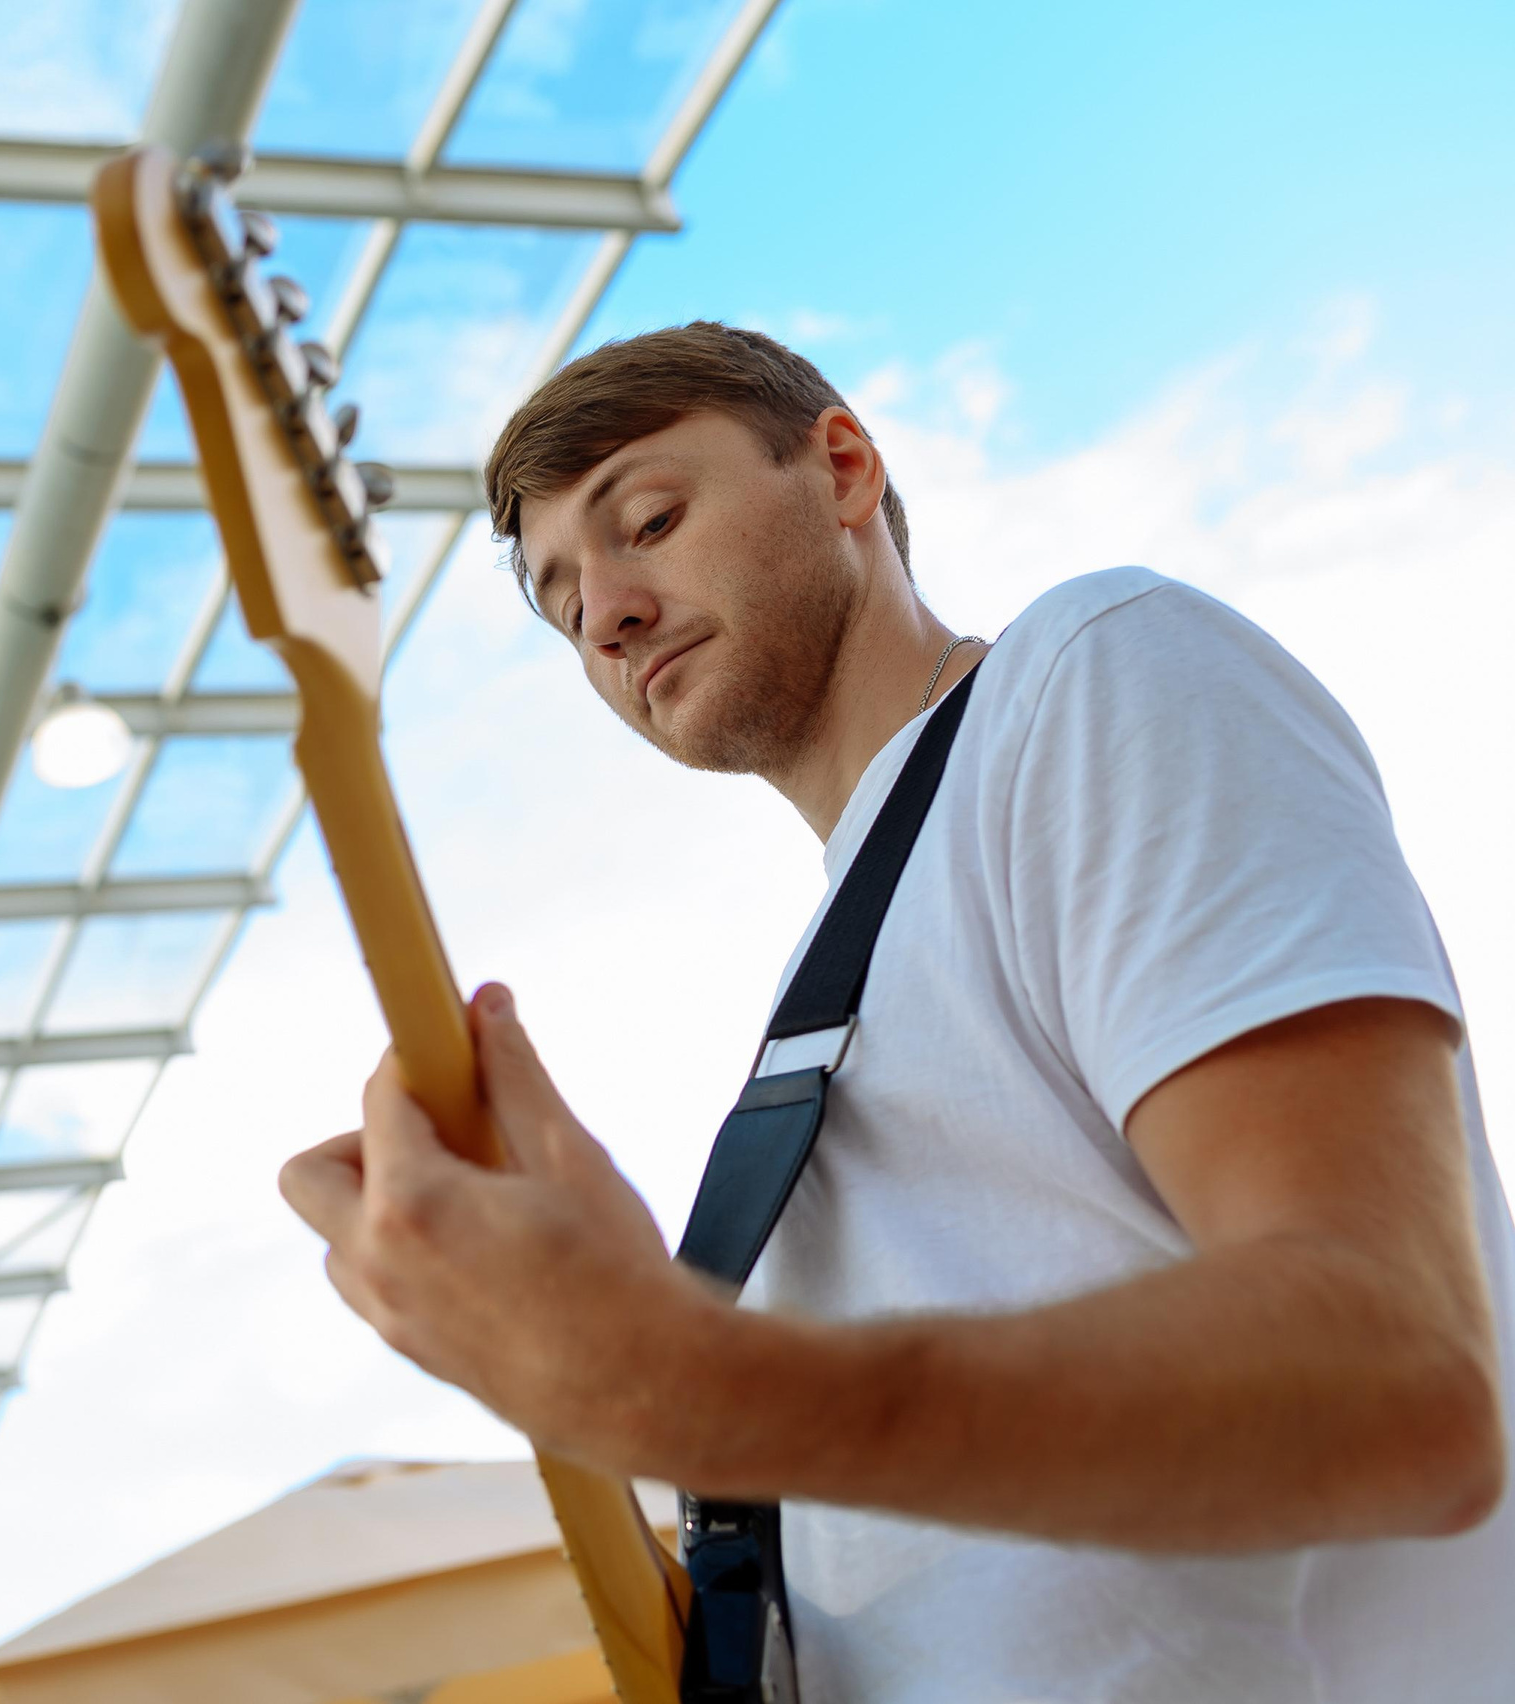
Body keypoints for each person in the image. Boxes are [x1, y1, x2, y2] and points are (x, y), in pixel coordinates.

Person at [276, 322, 1513, 1701]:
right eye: (566, 607)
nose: (610, 613)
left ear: (846, 468)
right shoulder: (845, 958)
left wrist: (692, 1385)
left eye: (651, 520)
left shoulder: (1095, 675)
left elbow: (1396, 1382)